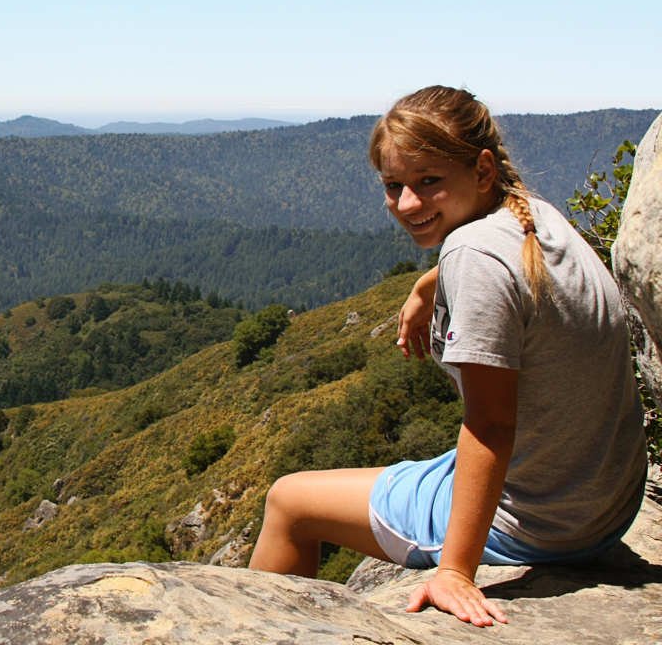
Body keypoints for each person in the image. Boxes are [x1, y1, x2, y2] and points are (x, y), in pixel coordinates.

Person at [248, 86, 647, 627]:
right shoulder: (533, 216)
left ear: (482, 171)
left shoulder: (474, 257)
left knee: (289, 502)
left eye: (428, 181)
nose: (408, 203)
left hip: (543, 520)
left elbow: (490, 425)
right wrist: (428, 285)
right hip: (604, 497)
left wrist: (456, 572)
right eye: (394, 186)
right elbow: (507, 277)